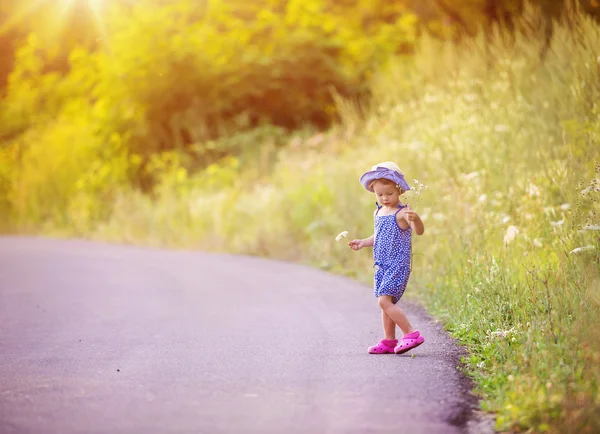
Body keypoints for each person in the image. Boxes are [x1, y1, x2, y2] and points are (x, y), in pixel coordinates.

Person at [348, 162, 426, 355]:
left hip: (397, 264)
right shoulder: (378, 212)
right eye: (380, 194)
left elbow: (419, 232)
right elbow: (379, 236)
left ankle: (411, 333)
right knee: (386, 304)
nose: (384, 198)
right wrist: (363, 242)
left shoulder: (402, 213)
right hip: (381, 265)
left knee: (384, 302)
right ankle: (389, 341)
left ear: (398, 189)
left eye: (389, 194)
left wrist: (416, 220)